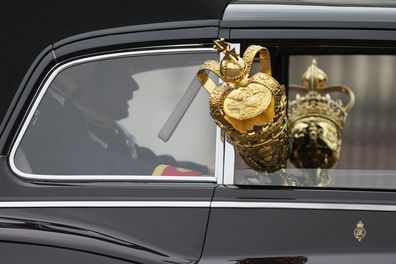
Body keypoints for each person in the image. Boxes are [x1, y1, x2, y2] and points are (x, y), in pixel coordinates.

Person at [20, 59, 209, 176]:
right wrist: (171, 175)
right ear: (92, 82)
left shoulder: (68, 111)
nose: (134, 86)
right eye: (123, 77)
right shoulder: (46, 110)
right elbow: (93, 165)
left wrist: (208, 171)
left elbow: (140, 160)